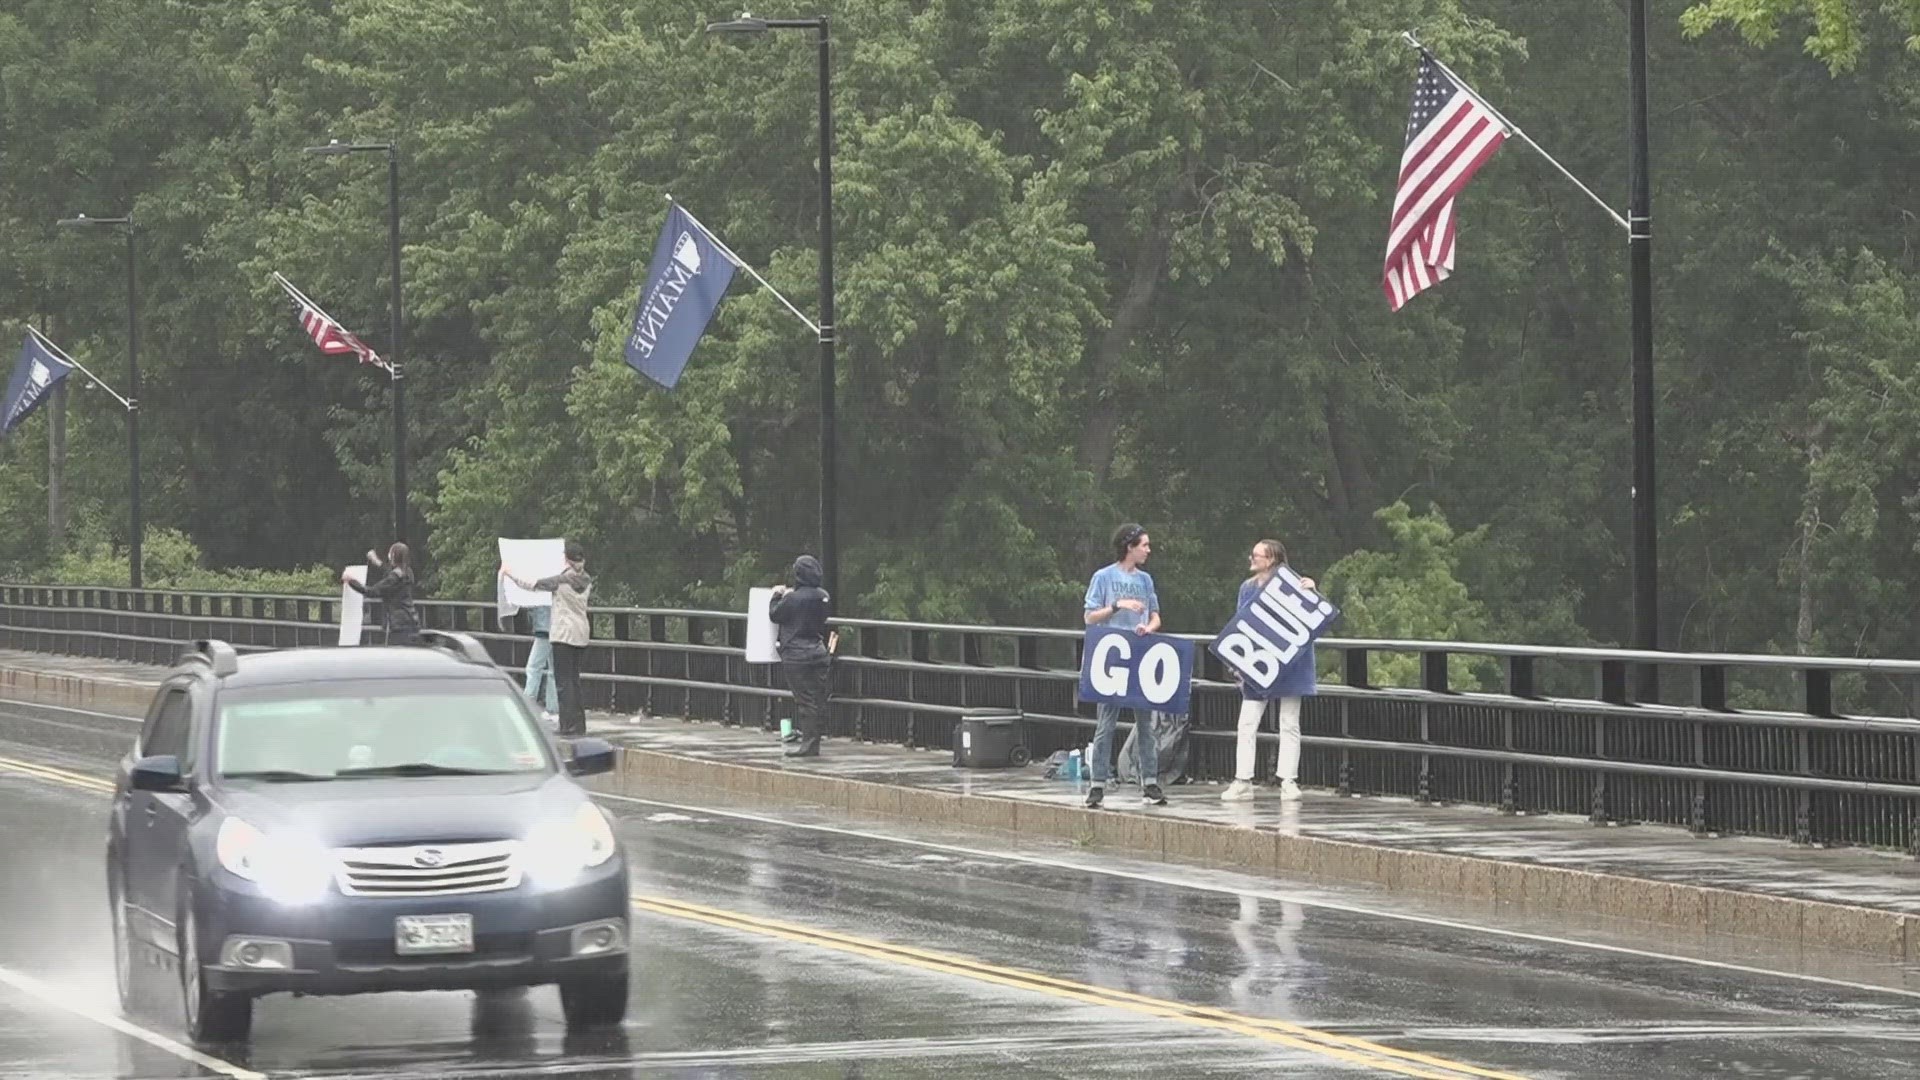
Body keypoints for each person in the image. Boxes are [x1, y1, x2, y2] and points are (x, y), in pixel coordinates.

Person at [1221, 539, 1317, 802]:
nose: (1251, 559)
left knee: (1289, 723)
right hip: (1258, 663)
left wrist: (1312, 591)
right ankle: (1243, 780)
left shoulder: (1293, 584)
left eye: (1257, 555)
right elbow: (1240, 624)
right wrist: (1237, 662)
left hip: (1290, 664)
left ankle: (1288, 780)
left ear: (1272, 559)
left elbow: (1313, 614)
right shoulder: (1247, 588)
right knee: (1247, 723)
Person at [1082, 522, 1166, 809]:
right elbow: (1090, 617)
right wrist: (1118, 606)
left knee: (1146, 723)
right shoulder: (1103, 577)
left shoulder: (1145, 580)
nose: (1148, 550)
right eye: (1144, 545)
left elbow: (1155, 616)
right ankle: (1098, 784)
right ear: (1129, 547)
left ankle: (1150, 781)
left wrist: (1149, 628)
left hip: (1139, 652)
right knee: (1106, 723)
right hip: (1112, 655)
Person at [502, 541, 592, 737]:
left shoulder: (561, 581)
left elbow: (533, 584)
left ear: (566, 559)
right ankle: (579, 724)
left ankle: (567, 726)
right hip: (582, 633)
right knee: (575, 681)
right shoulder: (586, 579)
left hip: (563, 635)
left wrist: (510, 573)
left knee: (563, 682)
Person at [769, 554, 832, 758]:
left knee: (805, 700)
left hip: (797, 655)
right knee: (818, 698)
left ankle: (809, 745)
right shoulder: (823, 595)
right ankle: (815, 741)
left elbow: (775, 614)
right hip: (818, 651)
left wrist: (777, 596)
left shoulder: (793, 599)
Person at [343, 542, 421, 646]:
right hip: (411, 621)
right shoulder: (408, 572)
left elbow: (372, 591)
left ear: (393, 555)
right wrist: (376, 561)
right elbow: (389, 572)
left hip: (398, 624)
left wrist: (351, 581)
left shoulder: (394, 577)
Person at [522, 604, 560, 725]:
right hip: (556, 627)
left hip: (544, 628)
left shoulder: (542, 591)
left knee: (533, 667)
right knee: (553, 670)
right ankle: (553, 708)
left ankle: (528, 703)